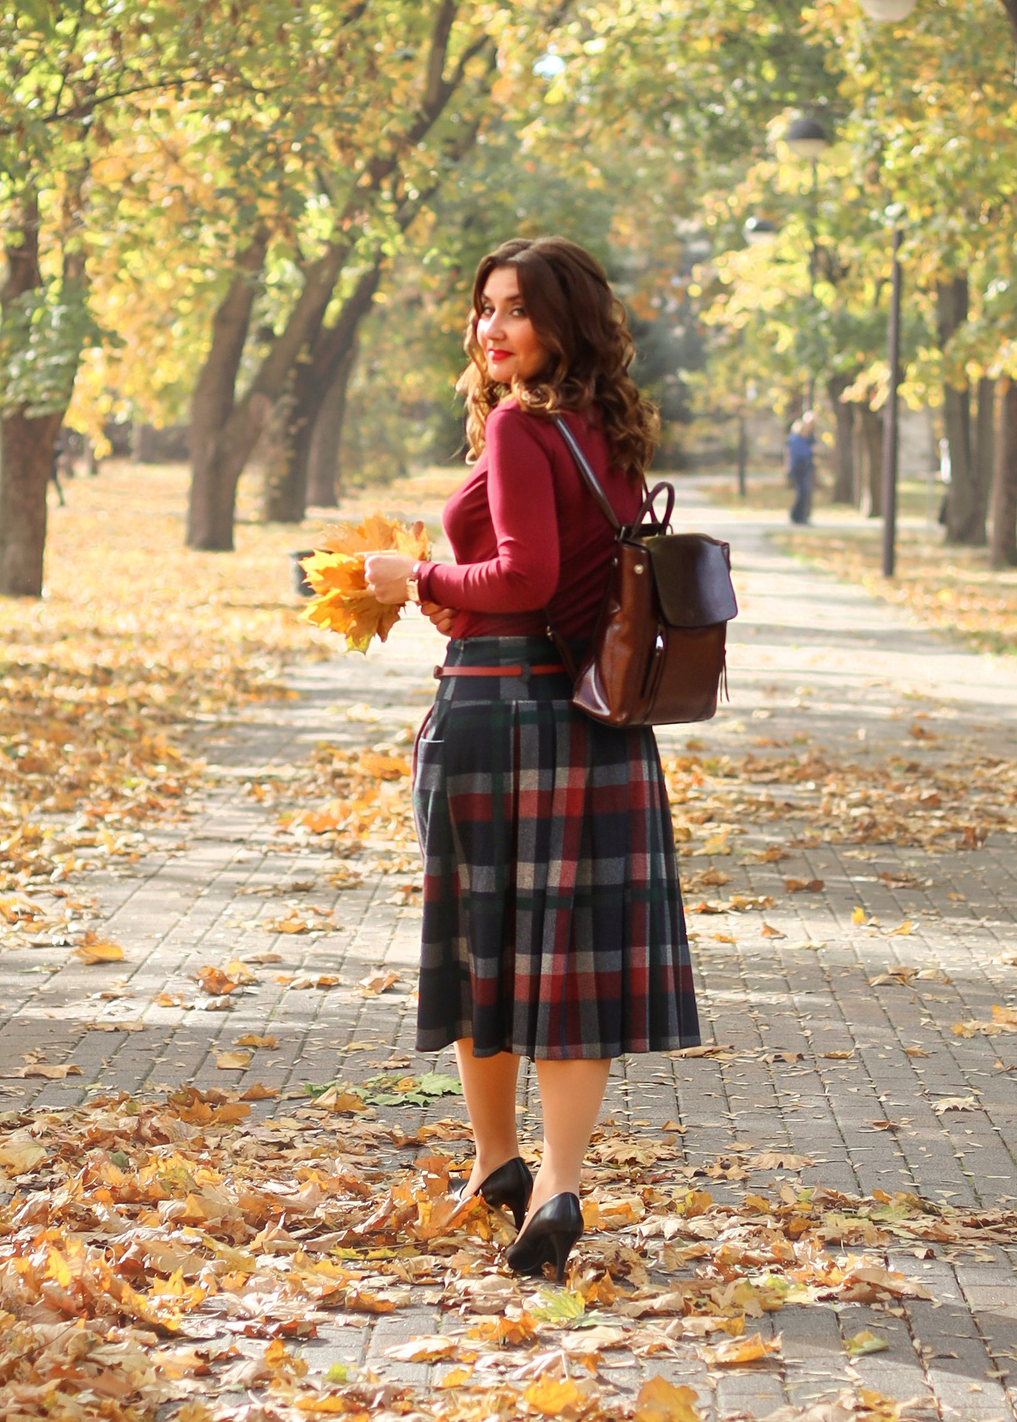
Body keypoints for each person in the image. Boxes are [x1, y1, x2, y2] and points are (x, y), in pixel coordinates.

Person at [360, 236, 699, 1284]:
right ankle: (542, 1178)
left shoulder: (517, 424)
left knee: (484, 950)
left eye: (514, 310)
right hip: (596, 722)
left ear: (561, 324)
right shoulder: (605, 427)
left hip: (498, 711)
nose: (490, 329)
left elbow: (520, 575)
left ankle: (505, 1163)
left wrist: (410, 572)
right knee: (571, 960)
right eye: (483, 309)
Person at [785, 411, 818, 525]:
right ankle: (796, 515)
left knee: (805, 492)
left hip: (806, 467)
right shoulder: (795, 439)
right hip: (798, 467)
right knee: (802, 491)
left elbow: (811, 450)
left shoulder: (808, 438)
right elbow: (794, 455)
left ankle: (800, 515)